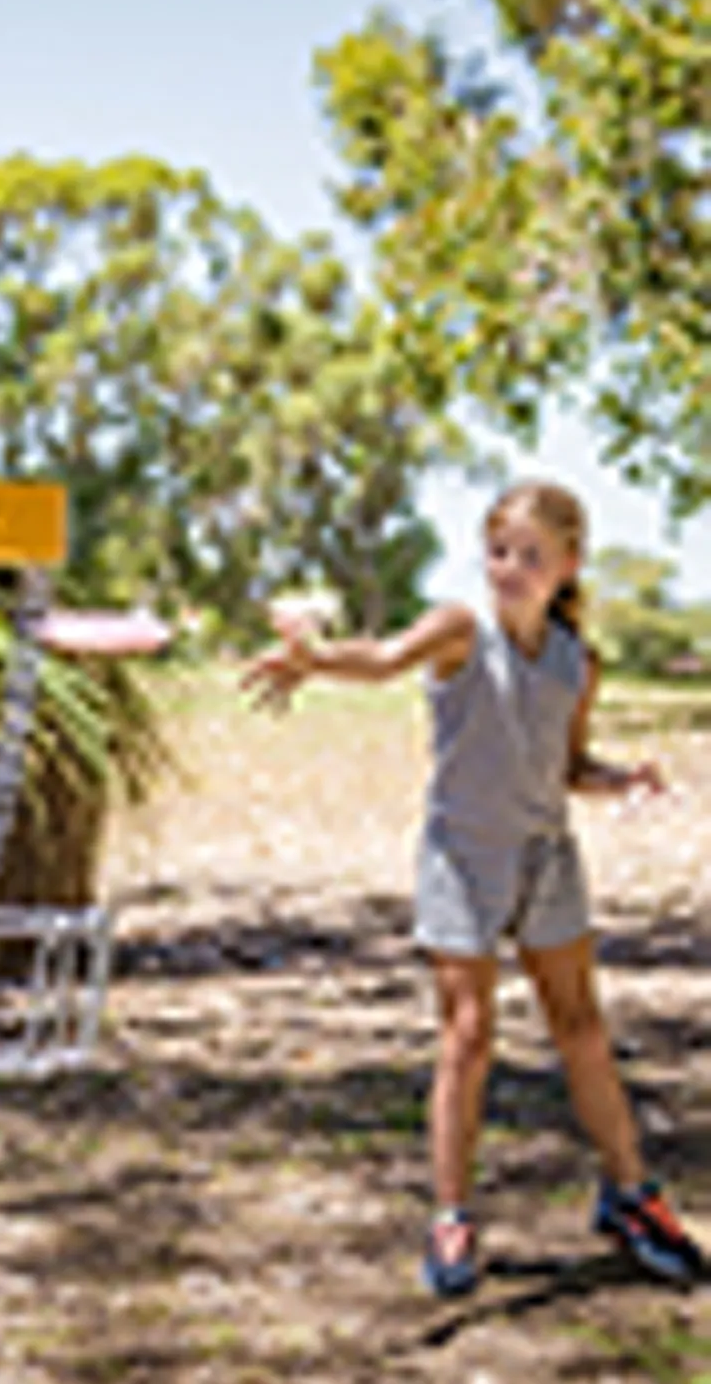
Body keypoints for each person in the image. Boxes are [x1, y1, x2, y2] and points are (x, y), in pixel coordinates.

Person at [244, 481, 702, 1296]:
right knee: (468, 1034)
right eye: (499, 551)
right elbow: (384, 659)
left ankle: (630, 1195)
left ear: (567, 565)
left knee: (581, 1028)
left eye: (531, 555)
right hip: (464, 858)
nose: (510, 568)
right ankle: (451, 1216)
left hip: (546, 857)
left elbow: (564, 768)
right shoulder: (461, 630)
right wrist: (315, 660)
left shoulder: (576, 661)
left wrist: (621, 778)